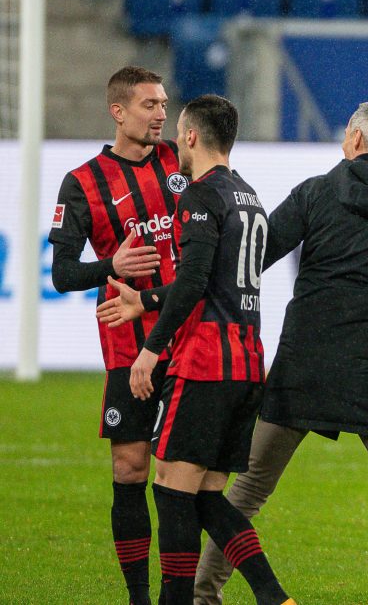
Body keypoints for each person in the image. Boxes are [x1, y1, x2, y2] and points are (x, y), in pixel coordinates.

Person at [101, 101, 368, 604]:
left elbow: (251, 260)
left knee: (245, 489)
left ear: (355, 140)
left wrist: (161, 299)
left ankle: (204, 593)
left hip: (301, 369)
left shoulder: (317, 193)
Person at [126, 94, 293, 605]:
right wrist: (150, 299)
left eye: (180, 130)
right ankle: (273, 596)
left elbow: (195, 280)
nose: (176, 138)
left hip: (205, 361)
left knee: (172, 490)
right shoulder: (249, 196)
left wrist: (151, 349)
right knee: (204, 495)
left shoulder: (199, 197)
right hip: (247, 363)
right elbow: (218, 278)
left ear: (193, 136)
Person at [48, 65, 183, 605]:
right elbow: (62, 273)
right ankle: (138, 599)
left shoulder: (180, 159)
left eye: (164, 104)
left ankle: (183, 592)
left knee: (183, 476)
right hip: (127, 350)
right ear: (118, 111)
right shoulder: (82, 183)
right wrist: (110, 265)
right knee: (130, 469)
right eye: (149, 105)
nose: (161, 114)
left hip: (187, 339)